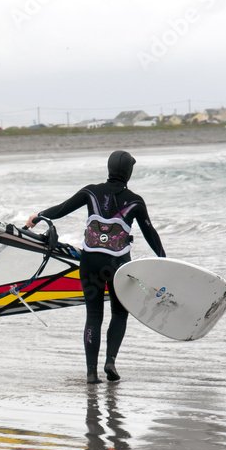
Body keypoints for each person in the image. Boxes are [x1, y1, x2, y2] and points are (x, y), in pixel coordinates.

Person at [26, 150, 165, 384]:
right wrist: (163, 259)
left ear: (109, 168)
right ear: (129, 172)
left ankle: (91, 372)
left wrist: (38, 216)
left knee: (93, 316)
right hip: (118, 265)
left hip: (90, 263)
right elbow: (150, 233)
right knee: (119, 313)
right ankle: (110, 362)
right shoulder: (135, 201)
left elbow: (62, 209)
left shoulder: (91, 191)